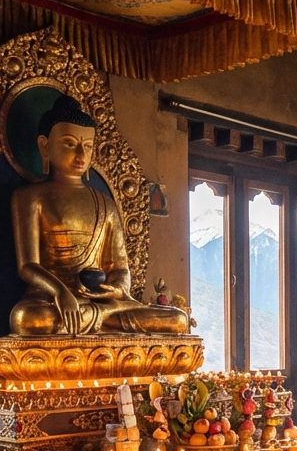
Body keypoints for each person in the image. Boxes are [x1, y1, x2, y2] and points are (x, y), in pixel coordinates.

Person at [10, 93, 189, 336]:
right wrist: (61, 292)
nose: (81, 154)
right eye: (70, 144)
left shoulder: (105, 204)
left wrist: (115, 290)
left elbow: (120, 269)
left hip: (101, 306)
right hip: (51, 303)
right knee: (27, 320)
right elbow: (28, 266)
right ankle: (97, 323)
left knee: (178, 320)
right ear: (45, 145)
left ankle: (99, 322)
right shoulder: (29, 197)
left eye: (88, 146)